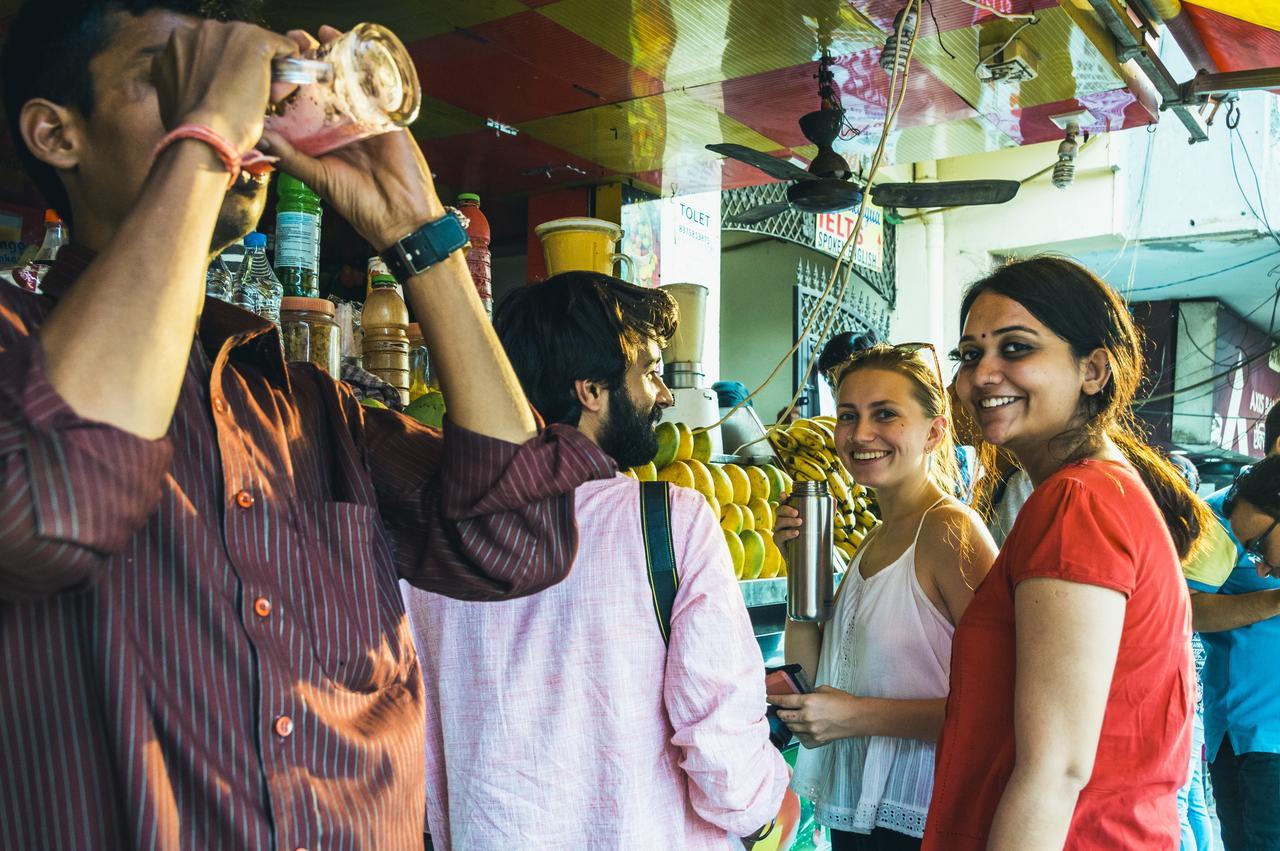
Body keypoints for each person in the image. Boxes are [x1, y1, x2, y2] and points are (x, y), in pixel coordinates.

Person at [0, 4, 611, 849]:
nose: (236, 103)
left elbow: (519, 544)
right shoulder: (15, 355)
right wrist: (207, 132)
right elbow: (57, 505)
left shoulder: (305, 402)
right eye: (173, 74)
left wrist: (418, 232)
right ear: (55, 134)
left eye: (224, 77)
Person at [402, 271, 789, 850]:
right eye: (651, 372)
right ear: (590, 391)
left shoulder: (427, 534)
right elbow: (720, 746)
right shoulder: (670, 519)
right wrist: (767, 815)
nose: (662, 396)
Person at [923, 256, 1208, 851]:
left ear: (1094, 370)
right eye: (971, 354)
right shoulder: (1095, 490)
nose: (983, 375)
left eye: (1016, 348)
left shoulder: (1079, 502)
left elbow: (1056, 772)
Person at [770, 344, 996, 850]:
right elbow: (815, 679)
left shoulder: (949, 531)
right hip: (865, 818)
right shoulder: (875, 536)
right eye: (848, 416)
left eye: (886, 414)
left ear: (934, 431)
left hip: (929, 817)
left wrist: (854, 716)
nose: (861, 434)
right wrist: (798, 573)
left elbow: (999, 706)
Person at [1194, 420, 1280, 851]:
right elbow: (1184, 608)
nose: (1259, 568)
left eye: (1260, 549)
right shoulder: (1222, 516)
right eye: (1254, 553)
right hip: (1256, 738)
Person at [1168, 453, 1230, 851]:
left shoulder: (1178, 552)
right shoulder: (1199, 543)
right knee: (1191, 799)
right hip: (1199, 697)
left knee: (1180, 799)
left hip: (1185, 695)